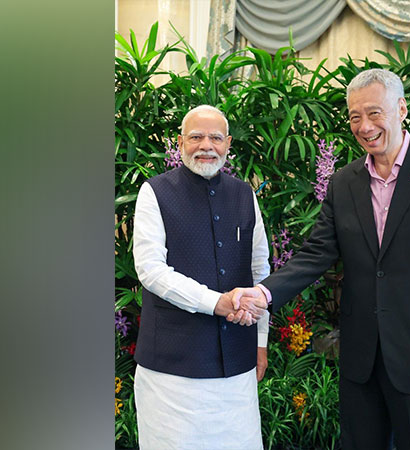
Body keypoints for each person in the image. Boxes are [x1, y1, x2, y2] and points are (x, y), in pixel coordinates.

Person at [231, 69, 410, 449]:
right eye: (354, 117)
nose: (364, 126)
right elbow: (317, 253)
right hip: (361, 359)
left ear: (400, 109)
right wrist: (263, 295)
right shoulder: (344, 181)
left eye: (374, 113)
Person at [132, 104, 270, 449]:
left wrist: (261, 341)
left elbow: (260, 270)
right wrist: (216, 303)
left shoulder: (244, 194)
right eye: (196, 136)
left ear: (228, 144)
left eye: (215, 137)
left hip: (237, 367)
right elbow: (150, 269)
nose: (205, 145)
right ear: (180, 142)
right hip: (171, 371)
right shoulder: (154, 192)